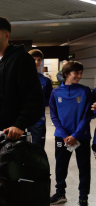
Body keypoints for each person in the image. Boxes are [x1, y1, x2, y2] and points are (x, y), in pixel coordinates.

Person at [0, 17, 44, 206]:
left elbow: (34, 98)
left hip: (11, 137)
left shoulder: (21, 59)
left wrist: (20, 124)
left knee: (10, 186)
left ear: (7, 35)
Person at [49, 61, 92, 206]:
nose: (79, 76)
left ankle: (83, 198)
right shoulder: (55, 92)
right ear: (66, 74)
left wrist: (76, 135)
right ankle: (60, 193)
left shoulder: (85, 91)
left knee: (84, 168)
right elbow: (53, 115)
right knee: (61, 166)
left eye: (81, 73)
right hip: (62, 136)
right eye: (76, 73)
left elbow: (87, 116)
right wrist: (64, 135)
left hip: (82, 136)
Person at [27, 49, 53, 149]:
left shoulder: (46, 81)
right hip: (21, 121)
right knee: (20, 150)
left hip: (38, 120)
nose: (36, 62)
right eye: (34, 59)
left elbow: (49, 100)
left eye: (39, 60)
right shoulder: (20, 78)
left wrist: (39, 103)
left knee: (38, 150)